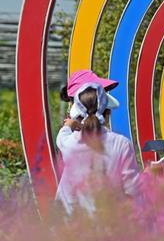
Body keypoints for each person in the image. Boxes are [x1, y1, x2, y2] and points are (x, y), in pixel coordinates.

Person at [55, 82, 141, 216]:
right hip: (110, 221)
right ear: (108, 112)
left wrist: (70, 125)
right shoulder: (122, 144)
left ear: (77, 112)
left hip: (72, 222)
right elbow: (132, 189)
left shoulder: (68, 144)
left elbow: (62, 136)